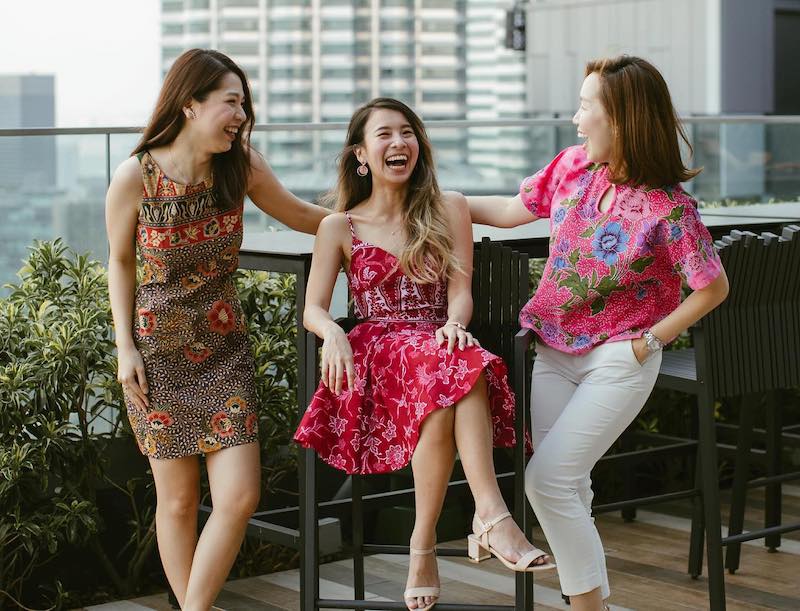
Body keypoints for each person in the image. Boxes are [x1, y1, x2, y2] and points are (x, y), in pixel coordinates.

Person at [466, 56, 729, 611]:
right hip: (553, 351)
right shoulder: (572, 167)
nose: (576, 119)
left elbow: (712, 287)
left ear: (623, 120)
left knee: (546, 483)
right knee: (570, 488)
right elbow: (512, 210)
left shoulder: (669, 209)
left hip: (619, 360)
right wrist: (429, 207)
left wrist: (648, 343)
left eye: (586, 107)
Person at [293, 97, 554, 611]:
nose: (399, 142)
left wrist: (455, 324)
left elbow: (461, 290)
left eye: (407, 132)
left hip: (437, 345)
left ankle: (427, 544)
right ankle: (490, 517)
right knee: (457, 367)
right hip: (378, 352)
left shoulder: (449, 207)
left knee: (456, 364)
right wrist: (334, 333)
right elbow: (313, 309)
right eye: (385, 134)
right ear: (360, 154)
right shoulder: (338, 226)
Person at [105, 49, 328, 611]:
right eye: (231, 102)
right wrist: (124, 347)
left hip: (224, 352)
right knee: (178, 503)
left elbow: (302, 216)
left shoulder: (241, 165)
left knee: (240, 495)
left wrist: (384, 225)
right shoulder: (136, 176)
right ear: (190, 104)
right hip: (157, 357)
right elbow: (120, 261)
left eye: (243, 103)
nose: (241, 115)